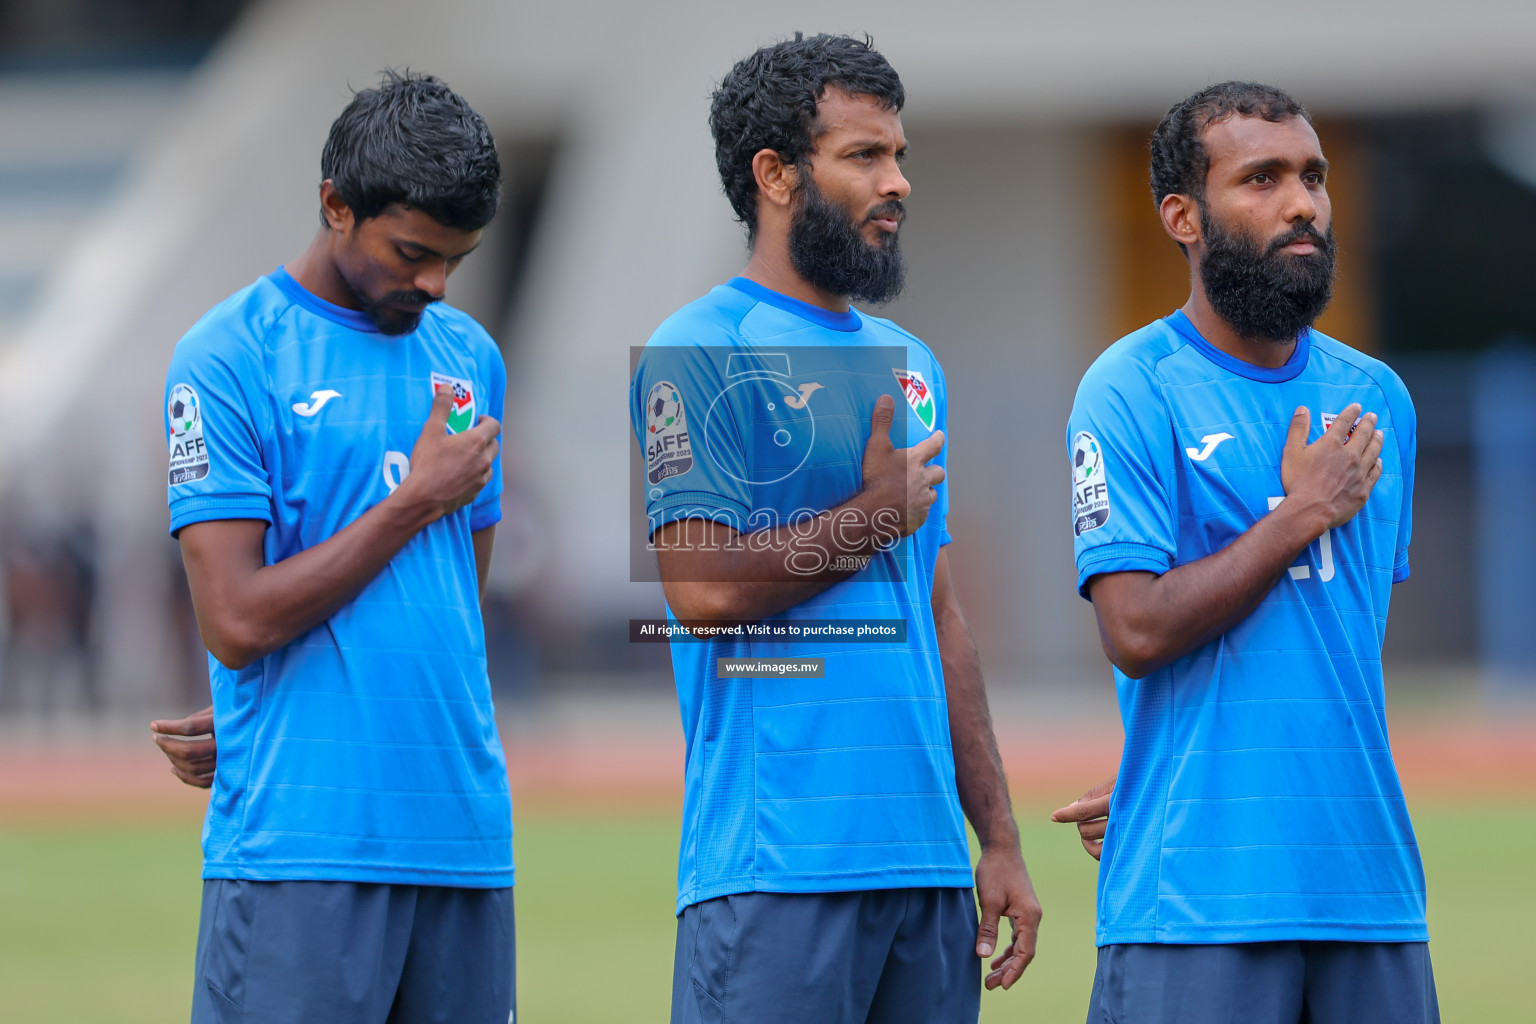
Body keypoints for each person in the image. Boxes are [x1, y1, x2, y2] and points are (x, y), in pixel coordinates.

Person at [629, 34, 1040, 1024]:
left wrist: (997, 839)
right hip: (778, 871)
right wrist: (869, 516)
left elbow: (940, 617)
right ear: (775, 174)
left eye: (899, 155)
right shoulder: (697, 350)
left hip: (928, 874)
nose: (896, 182)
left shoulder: (911, 358)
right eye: (864, 156)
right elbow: (702, 591)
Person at [1059, 82, 1436, 1023]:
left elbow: (1330, 649)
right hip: (1196, 905)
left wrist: (1177, 754)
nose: (1302, 202)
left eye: (1313, 176)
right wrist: (1300, 512)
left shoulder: (1378, 397)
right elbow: (1135, 629)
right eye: (1261, 178)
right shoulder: (1130, 388)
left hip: (1370, 894)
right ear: (1181, 216)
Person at [160, 70, 514, 1023]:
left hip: (464, 839)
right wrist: (413, 500)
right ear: (335, 205)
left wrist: (292, 694)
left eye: (456, 259)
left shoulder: (469, 356)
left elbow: (446, 603)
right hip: (302, 850)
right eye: (412, 253)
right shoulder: (228, 357)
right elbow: (234, 620)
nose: (435, 284)